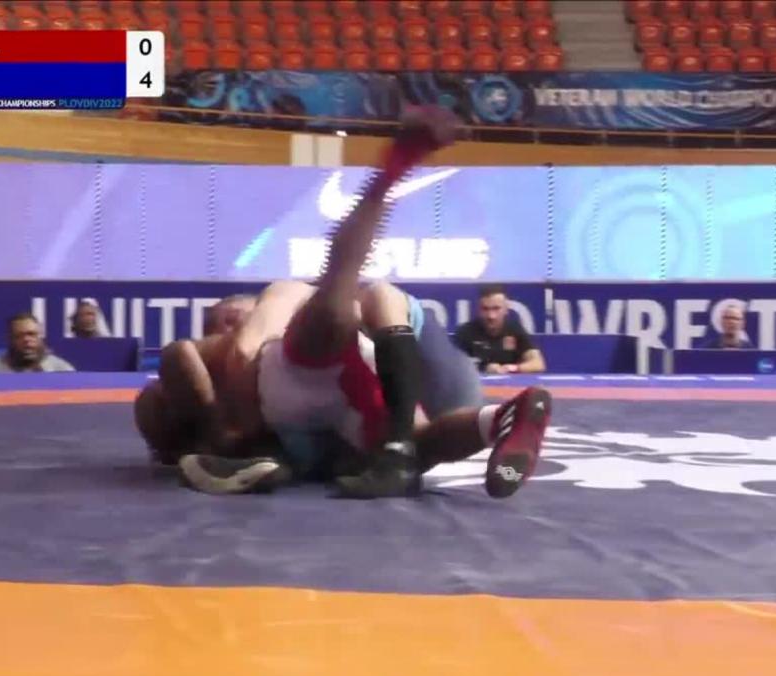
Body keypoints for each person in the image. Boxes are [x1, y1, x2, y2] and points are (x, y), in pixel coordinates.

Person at [140, 107, 552, 499]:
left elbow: (219, 352)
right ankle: (502, 419)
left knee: (339, 311)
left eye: (230, 316)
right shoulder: (228, 355)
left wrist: (231, 437)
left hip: (336, 383)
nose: (228, 325)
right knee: (411, 445)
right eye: (222, 322)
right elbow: (182, 368)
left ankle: (392, 170)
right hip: (367, 402)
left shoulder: (269, 314)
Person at [452, 285, 546, 374]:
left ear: (506, 309)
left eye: (496, 308)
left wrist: (512, 368)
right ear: (479, 310)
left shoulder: (515, 329)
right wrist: (484, 368)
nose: (491, 316)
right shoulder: (465, 332)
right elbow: (453, 366)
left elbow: (538, 364)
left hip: (509, 384)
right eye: (485, 309)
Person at [0, 313, 75, 373]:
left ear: (40, 336)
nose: (26, 340)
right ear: (10, 339)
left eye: (31, 334)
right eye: (19, 336)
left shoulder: (61, 370)